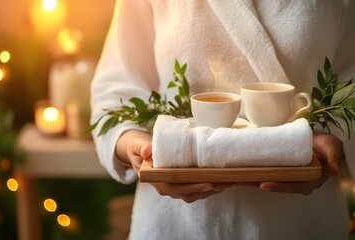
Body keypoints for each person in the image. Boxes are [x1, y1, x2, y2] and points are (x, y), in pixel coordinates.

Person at [90, 1, 355, 239]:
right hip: (179, 223)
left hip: (302, 223)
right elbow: (116, 91)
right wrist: (136, 146)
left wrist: (334, 144)